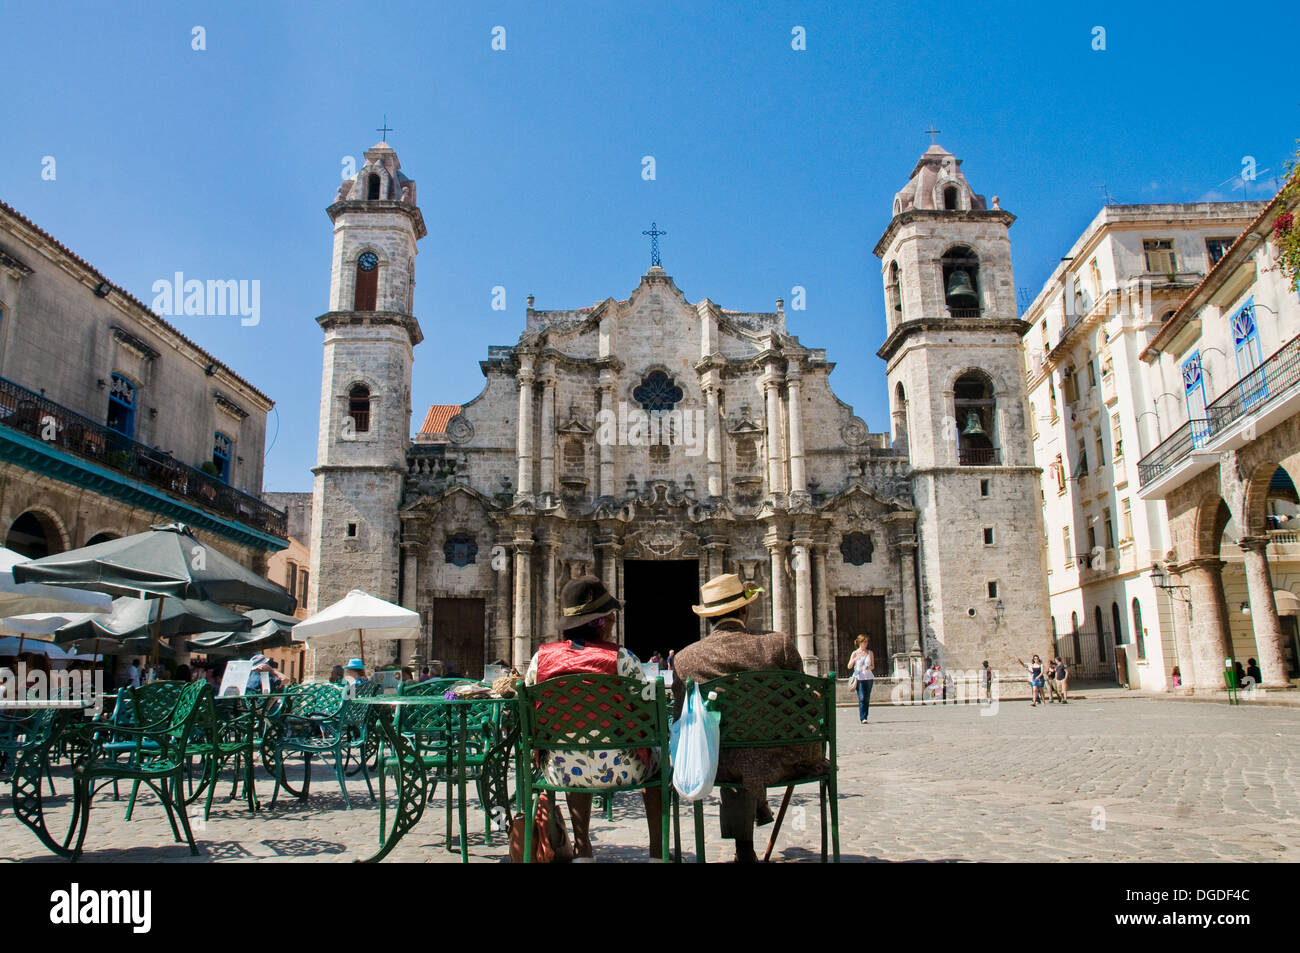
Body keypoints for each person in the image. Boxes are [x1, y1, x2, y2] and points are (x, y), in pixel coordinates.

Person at [672, 573, 826, 864]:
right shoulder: (778, 644)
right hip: (784, 757)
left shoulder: (686, 659)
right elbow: (804, 706)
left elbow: (680, 718)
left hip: (717, 764)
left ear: (709, 618)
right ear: (745, 609)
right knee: (749, 751)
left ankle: (744, 846)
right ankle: (755, 820)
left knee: (732, 750)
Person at [523, 575, 664, 861]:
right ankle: (657, 852)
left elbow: (528, 705)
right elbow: (647, 715)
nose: (613, 621)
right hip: (621, 767)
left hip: (562, 770)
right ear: (600, 623)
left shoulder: (541, 659)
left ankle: (582, 847)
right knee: (659, 757)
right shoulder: (622, 659)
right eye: (610, 617)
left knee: (576, 749)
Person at [847, 634, 875, 724]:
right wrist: (854, 659)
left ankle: (865, 716)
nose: (865, 644)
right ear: (859, 643)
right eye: (864, 642)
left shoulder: (870, 653)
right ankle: (862, 717)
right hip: (859, 678)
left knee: (866, 698)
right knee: (862, 697)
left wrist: (868, 667)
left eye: (866, 642)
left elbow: (873, 666)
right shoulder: (854, 653)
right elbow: (849, 666)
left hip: (869, 677)